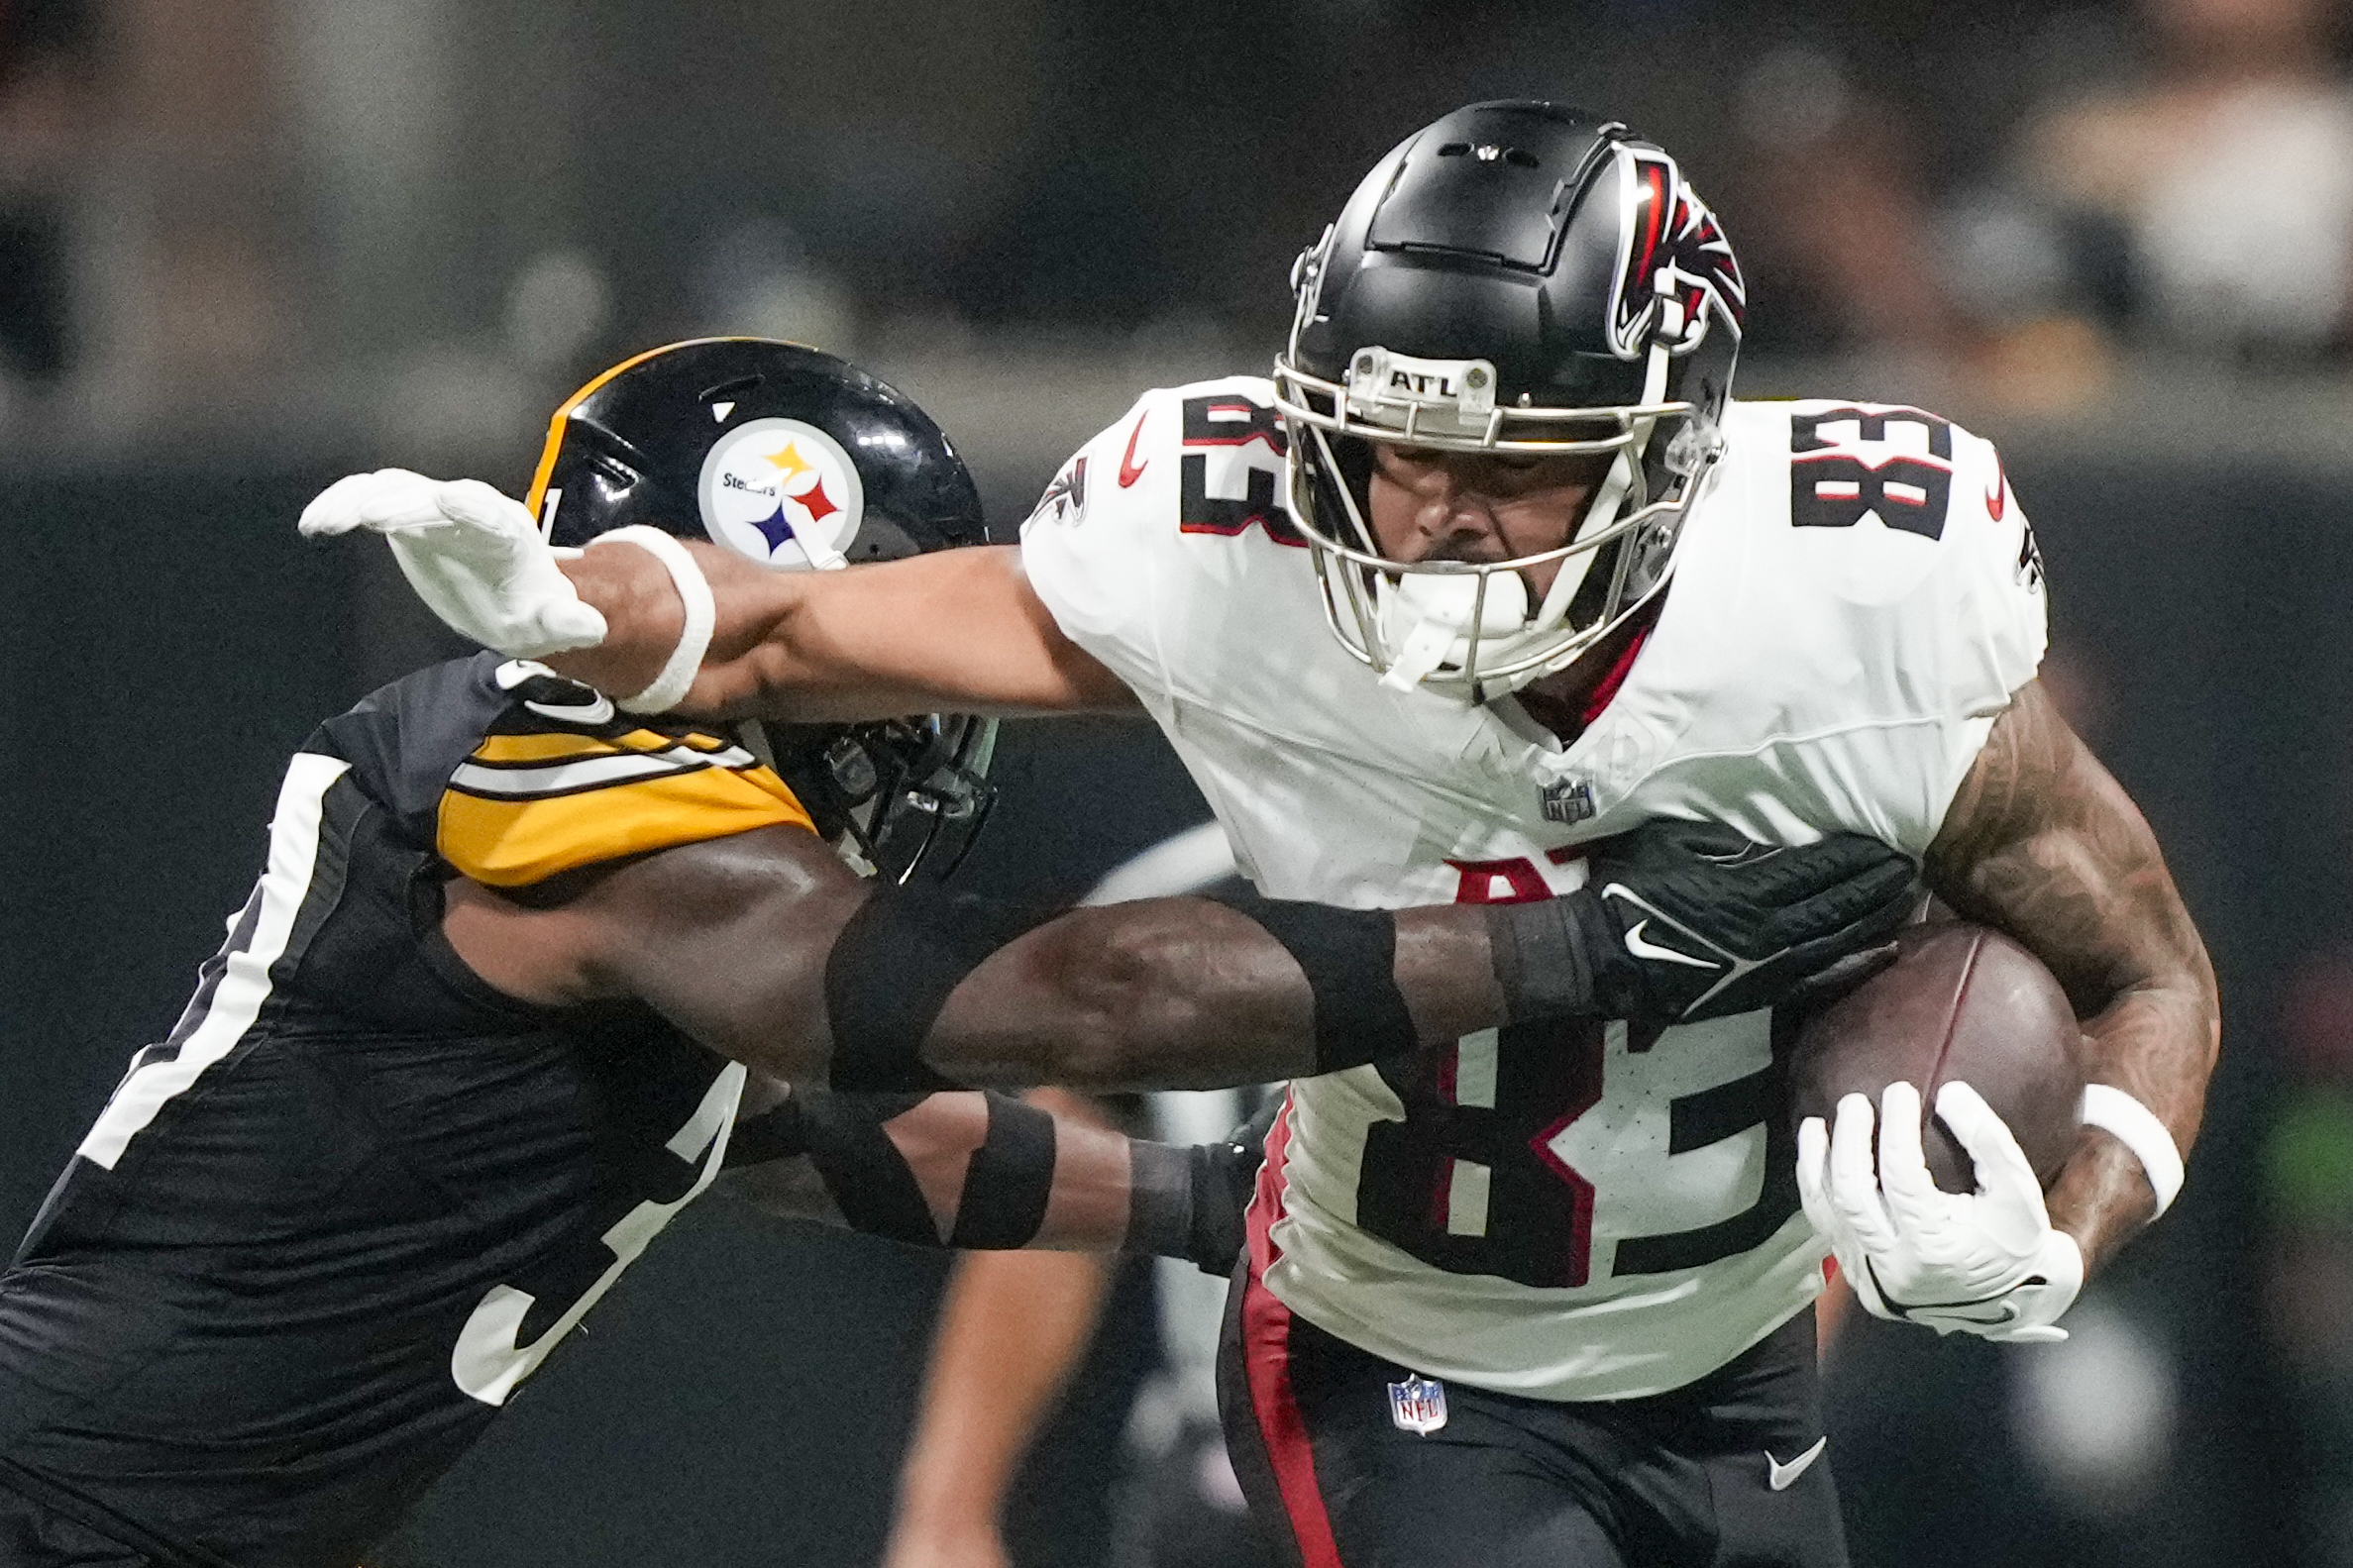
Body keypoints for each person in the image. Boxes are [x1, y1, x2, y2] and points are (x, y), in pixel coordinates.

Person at [316, 101, 2220, 1568]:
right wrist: (605, 599)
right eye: (1397, 454)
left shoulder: (1848, 603)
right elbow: (805, 622)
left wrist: (2066, 1233)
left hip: (1730, 1368)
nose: (1438, 518)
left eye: (1511, 465)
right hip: (1399, 1360)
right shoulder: (1233, 545)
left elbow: (2149, 968)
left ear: (1664, 445)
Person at [0, 338, 1909, 1568]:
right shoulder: (559, 767)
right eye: (838, 641)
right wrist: (1578, 953)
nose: (888, 699)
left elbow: (789, 1129)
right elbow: (990, 1007)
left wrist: (1208, 1203)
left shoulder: (604, 873)